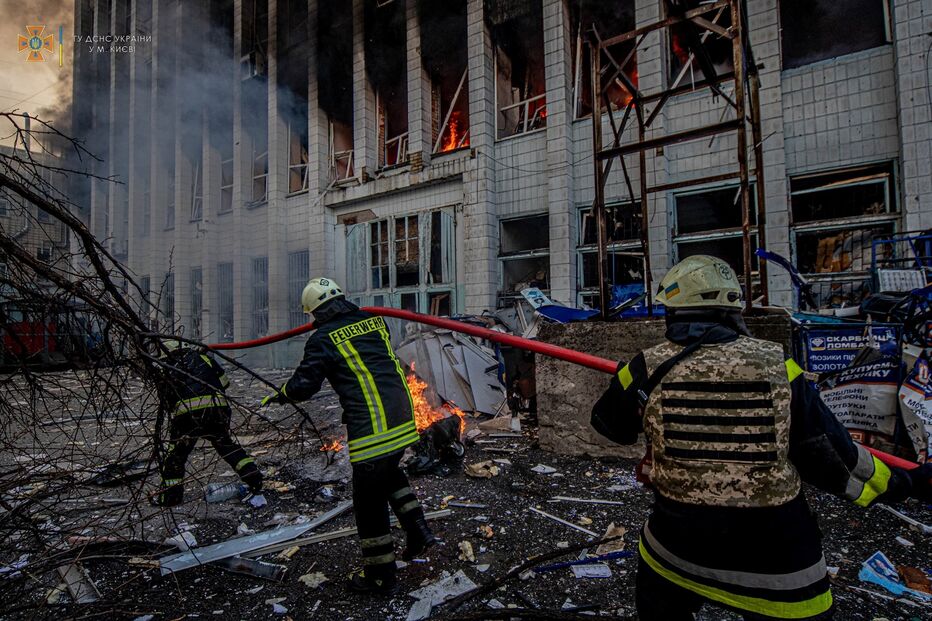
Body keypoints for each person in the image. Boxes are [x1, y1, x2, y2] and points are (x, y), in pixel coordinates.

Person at [590, 255, 932, 621]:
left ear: (671, 311)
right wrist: (905, 483)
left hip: (676, 549)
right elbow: (830, 457)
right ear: (734, 310)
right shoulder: (779, 367)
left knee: (655, 587)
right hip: (778, 564)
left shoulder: (644, 367)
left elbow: (608, 425)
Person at [261, 277, 436, 593]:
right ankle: (418, 531)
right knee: (390, 475)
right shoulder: (373, 322)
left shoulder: (322, 339)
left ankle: (380, 577)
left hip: (373, 427)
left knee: (368, 503)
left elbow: (304, 386)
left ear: (314, 311)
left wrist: (281, 393)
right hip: (402, 416)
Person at [153, 340, 266, 508]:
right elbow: (224, 382)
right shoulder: (203, 358)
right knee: (225, 445)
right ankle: (254, 477)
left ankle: (171, 497)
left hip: (187, 415)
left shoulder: (167, 366)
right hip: (217, 409)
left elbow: (166, 398)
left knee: (176, 456)